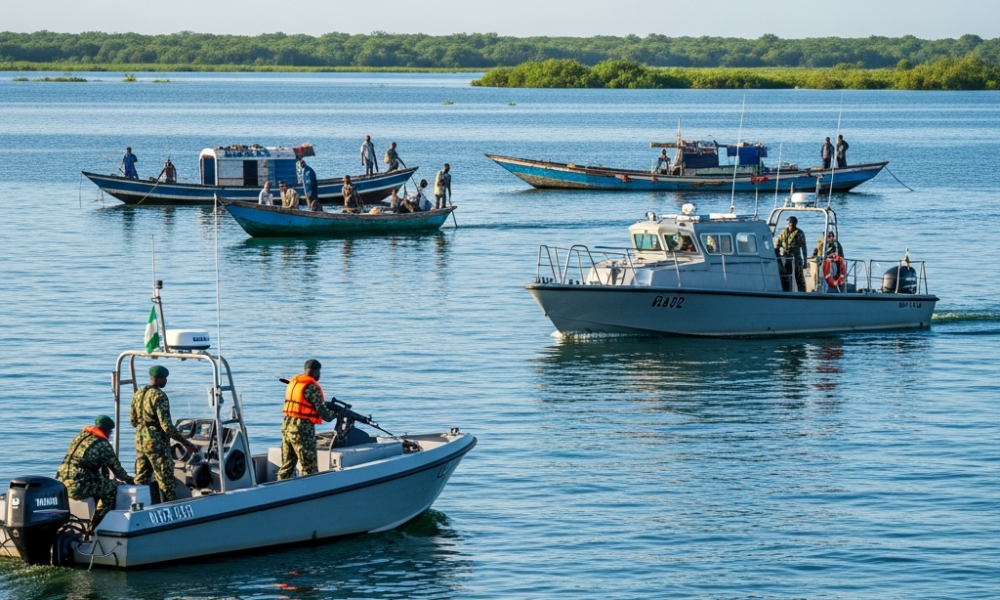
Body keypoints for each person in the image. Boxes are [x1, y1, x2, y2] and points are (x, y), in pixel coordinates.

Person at [130, 365, 199, 503]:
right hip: (156, 442)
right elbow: (167, 427)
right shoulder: (160, 396)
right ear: (159, 379)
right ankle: (169, 509)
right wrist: (187, 444)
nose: (166, 381)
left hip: (140, 439)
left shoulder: (138, 393)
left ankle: (137, 506)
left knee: (141, 478)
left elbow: (133, 420)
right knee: (165, 479)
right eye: (164, 379)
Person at [55, 415, 134, 528]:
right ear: (107, 430)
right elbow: (119, 472)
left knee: (99, 484)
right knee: (112, 488)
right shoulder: (103, 445)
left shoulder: (80, 437)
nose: (110, 435)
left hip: (61, 482)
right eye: (110, 432)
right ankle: (97, 524)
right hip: (78, 486)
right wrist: (132, 481)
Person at [278, 359, 342, 480]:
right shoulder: (312, 387)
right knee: (309, 468)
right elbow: (325, 415)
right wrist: (336, 414)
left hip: (287, 426)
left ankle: (279, 491)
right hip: (302, 430)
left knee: (287, 466)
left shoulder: (294, 382)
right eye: (319, 372)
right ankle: (311, 492)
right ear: (315, 371)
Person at [776, 215, 807, 292]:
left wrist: (805, 261)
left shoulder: (799, 233)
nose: (790, 224)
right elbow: (777, 244)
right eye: (789, 223)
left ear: (795, 224)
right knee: (786, 276)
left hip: (796, 258)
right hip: (786, 258)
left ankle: (802, 294)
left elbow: (804, 248)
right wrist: (777, 255)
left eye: (791, 223)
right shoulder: (783, 233)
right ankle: (786, 292)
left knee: (799, 278)